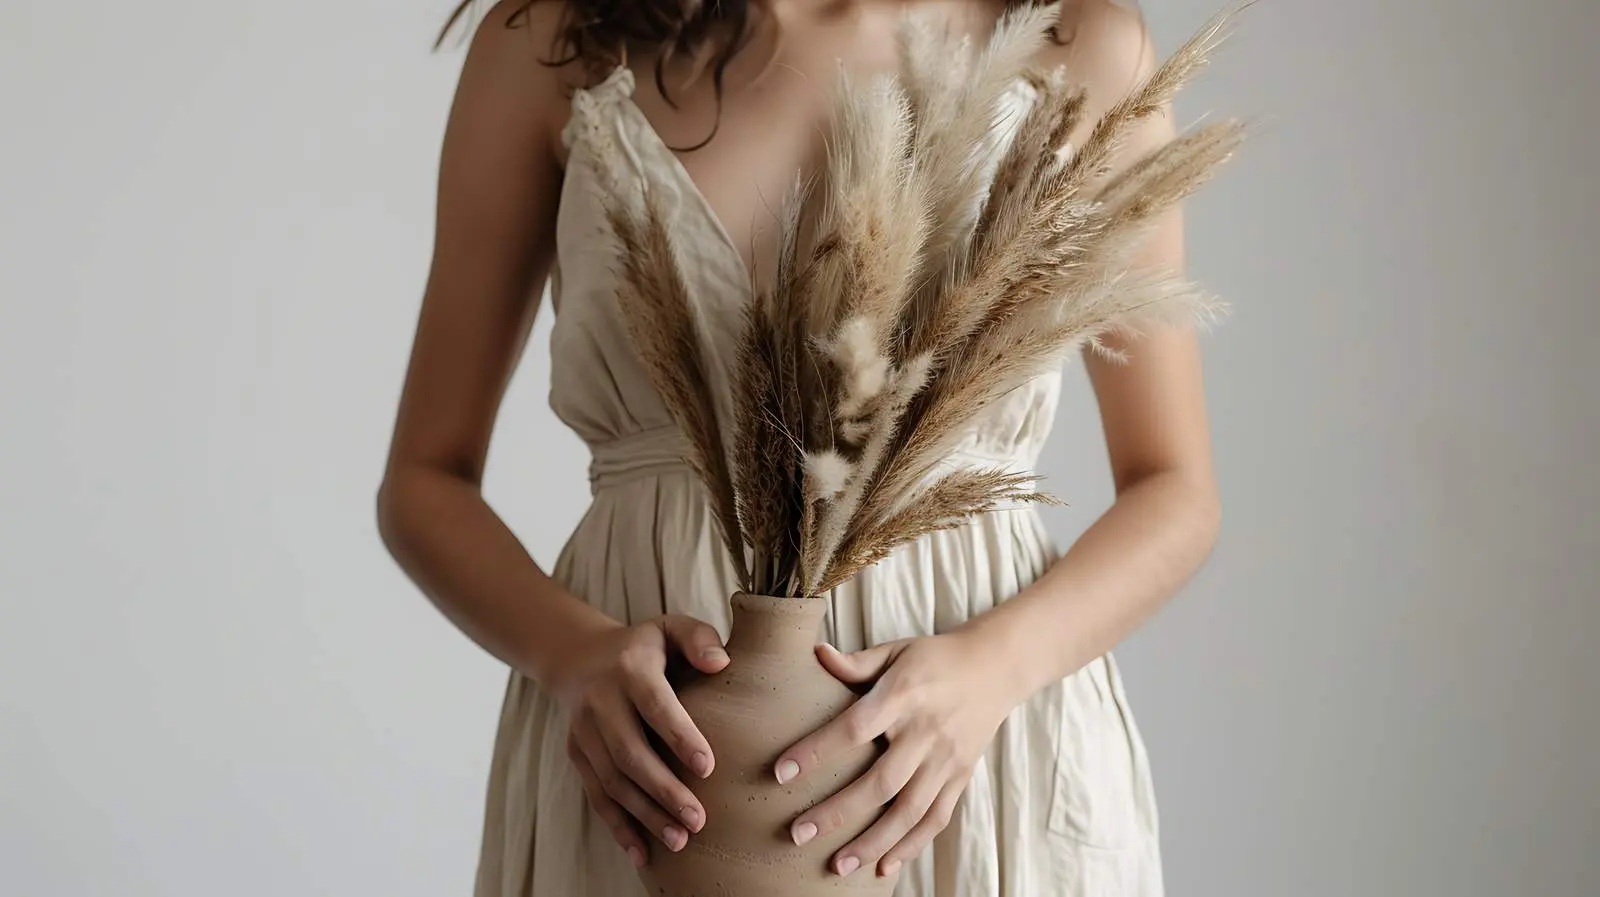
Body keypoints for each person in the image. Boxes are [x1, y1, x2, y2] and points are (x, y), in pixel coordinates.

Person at [376, 0, 1219, 893]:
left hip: (975, 752)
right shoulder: (554, 41)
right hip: (651, 777)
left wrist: (997, 668)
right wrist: (571, 655)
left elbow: (1174, 487)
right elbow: (424, 479)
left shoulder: (1081, 42)